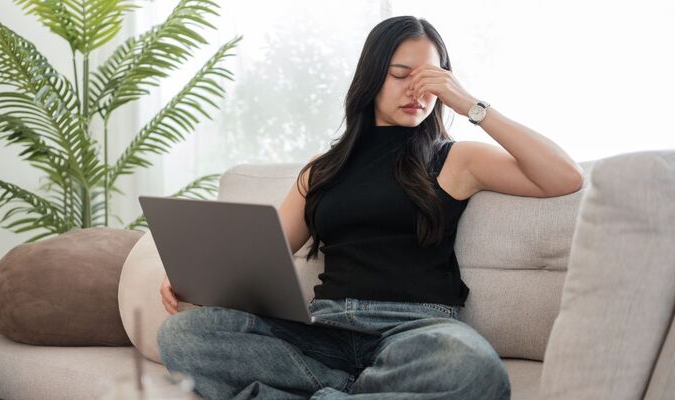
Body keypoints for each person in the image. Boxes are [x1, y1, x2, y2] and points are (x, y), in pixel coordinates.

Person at [156, 15, 584, 400]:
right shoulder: (320, 171)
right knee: (184, 335)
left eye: (431, 79)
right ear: (372, 77)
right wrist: (190, 276)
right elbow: (261, 253)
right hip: (325, 334)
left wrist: (469, 104)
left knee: (474, 369)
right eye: (401, 75)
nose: (417, 90)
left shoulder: (456, 160)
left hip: (415, 332)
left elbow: (564, 176)